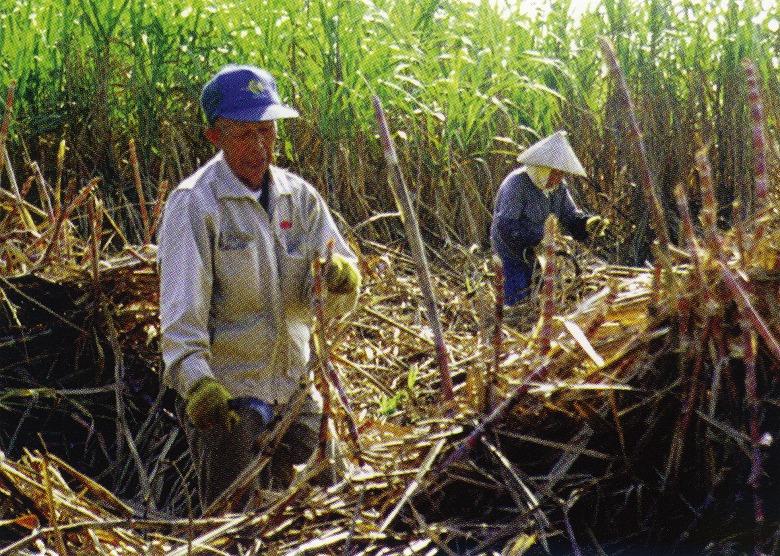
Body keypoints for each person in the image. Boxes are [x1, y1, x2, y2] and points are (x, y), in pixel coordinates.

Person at [158, 64, 361, 511]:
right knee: (232, 518)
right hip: (230, 393)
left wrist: (342, 281)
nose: (261, 147)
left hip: (293, 387)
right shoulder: (195, 204)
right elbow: (179, 316)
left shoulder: (300, 198)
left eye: (267, 133)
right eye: (245, 135)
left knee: (337, 504)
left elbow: (340, 291)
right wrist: (198, 387)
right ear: (215, 137)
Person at [490, 130, 607, 306]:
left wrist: (587, 224)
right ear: (542, 169)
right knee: (518, 302)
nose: (559, 179)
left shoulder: (558, 187)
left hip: (540, 254)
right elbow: (506, 226)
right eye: (555, 173)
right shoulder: (516, 185)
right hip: (511, 253)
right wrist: (536, 241)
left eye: (561, 174)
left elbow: (569, 215)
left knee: (541, 302)